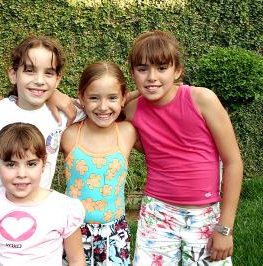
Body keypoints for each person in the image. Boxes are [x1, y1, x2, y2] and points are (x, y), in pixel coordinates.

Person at [124, 30, 243, 265]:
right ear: (132, 73)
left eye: (161, 68)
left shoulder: (202, 99)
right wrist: (132, 94)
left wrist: (225, 228)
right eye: (142, 69)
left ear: (177, 71)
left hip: (205, 215)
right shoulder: (131, 111)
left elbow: (233, 162)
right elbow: (103, 104)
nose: (151, 77)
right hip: (157, 213)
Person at [0, 122, 86, 265]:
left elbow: (77, 261)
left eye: (31, 164)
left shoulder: (64, 208)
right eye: (11, 165)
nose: (21, 174)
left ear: (43, 163)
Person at [61, 61, 138, 265]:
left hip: (115, 234)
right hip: (74, 232)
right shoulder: (68, 135)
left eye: (112, 97)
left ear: (123, 98)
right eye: (94, 98)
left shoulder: (127, 132)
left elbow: (150, 100)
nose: (103, 107)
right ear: (81, 98)